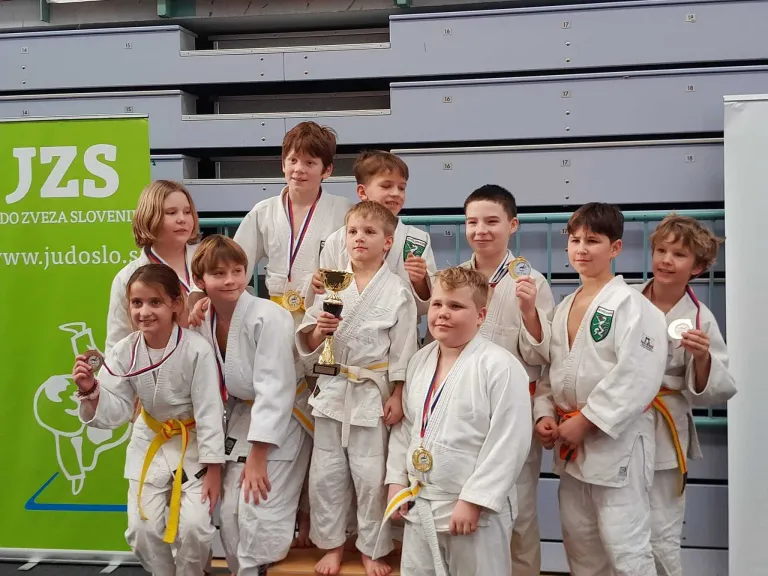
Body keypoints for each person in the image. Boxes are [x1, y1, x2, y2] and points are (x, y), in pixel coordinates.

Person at [189, 121, 353, 546]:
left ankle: (318, 521)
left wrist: (331, 284)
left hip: (323, 319)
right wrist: (204, 295)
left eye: (310, 162)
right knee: (286, 408)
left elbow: (354, 259)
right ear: (283, 163)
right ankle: (294, 518)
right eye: (293, 160)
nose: (299, 169)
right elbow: (232, 263)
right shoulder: (264, 211)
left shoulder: (340, 211)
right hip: (278, 320)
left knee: (323, 422)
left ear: (327, 170)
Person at [531, 202, 668, 576]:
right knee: (582, 548)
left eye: (593, 240)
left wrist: (588, 420)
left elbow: (638, 375)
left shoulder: (634, 306)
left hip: (616, 442)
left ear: (616, 248)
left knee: (627, 549)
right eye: (575, 240)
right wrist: (544, 413)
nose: (582, 249)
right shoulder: (564, 306)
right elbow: (550, 373)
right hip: (571, 447)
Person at [72, 263, 225, 576]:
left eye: (155, 302)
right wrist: (91, 391)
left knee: (195, 528)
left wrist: (214, 468)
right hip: (149, 437)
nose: (144, 311)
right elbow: (115, 409)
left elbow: (210, 410)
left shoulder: (196, 350)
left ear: (175, 305)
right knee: (142, 529)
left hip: (192, 442)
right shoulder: (124, 352)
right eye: (137, 303)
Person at [382, 266, 532, 576]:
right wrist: (396, 481)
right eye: (437, 304)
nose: (442, 314)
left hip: (472, 510)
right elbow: (407, 428)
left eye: (456, 306)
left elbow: (509, 441)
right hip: (421, 501)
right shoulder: (419, 361)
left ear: (481, 315)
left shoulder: (500, 366)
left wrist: (475, 500)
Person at [296, 201, 419, 576]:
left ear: (388, 242)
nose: (359, 238)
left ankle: (371, 547)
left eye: (369, 232)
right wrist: (320, 330)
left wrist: (397, 394)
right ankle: (332, 545)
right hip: (333, 388)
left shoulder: (397, 290)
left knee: (370, 476)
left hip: (371, 392)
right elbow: (308, 337)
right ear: (344, 238)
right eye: (353, 232)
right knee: (326, 474)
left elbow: (404, 350)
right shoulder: (333, 282)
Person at [190, 235, 310, 575]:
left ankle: (257, 570)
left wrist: (258, 456)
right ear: (201, 281)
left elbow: (276, 388)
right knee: (228, 512)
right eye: (218, 274)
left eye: (237, 271)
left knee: (256, 507)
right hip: (242, 413)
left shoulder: (269, 317)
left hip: (285, 418)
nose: (230, 280)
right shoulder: (202, 319)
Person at [460, 184, 555, 576]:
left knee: (520, 509)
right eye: (472, 221)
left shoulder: (531, 281)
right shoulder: (454, 278)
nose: (480, 230)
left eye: (491, 221)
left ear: (512, 225)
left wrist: (530, 310)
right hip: (463, 409)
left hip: (513, 410)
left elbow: (541, 355)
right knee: (464, 502)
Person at [637, 214, 737, 576]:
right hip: (619, 425)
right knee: (615, 526)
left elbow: (720, 387)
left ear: (697, 267)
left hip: (664, 430)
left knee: (660, 530)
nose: (666, 260)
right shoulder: (625, 299)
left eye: (679, 255)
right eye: (661, 250)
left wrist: (703, 357)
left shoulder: (700, 318)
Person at [310, 150, 436, 316]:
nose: (396, 193)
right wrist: (318, 282)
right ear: (362, 192)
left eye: (402, 188)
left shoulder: (417, 240)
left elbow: (429, 304)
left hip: (398, 330)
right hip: (345, 330)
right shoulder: (337, 240)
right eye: (386, 186)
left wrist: (420, 281)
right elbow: (324, 296)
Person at [106, 180, 201, 354]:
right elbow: (117, 343)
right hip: (157, 368)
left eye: (187, 212)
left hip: (211, 366)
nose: (182, 219)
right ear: (149, 216)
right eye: (171, 213)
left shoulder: (207, 260)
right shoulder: (127, 277)